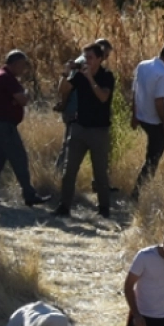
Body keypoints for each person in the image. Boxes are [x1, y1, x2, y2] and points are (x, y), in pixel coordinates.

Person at [0, 50, 50, 207]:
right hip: (5, 125)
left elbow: (19, 99)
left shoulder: (5, 76)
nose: (24, 69)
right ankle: (29, 194)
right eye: (23, 65)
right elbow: (23, 99)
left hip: (1, 123)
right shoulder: (6, 78)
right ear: (16, 63)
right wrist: (23, 96)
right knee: (19, 158)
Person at [53, 43, 116, 218]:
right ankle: (64, 206)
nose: (86, 61)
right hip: (79, 128)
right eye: (84, 57)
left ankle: (104, 209)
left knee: (100, 173)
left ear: (99, 59)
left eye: (90, 57)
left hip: (99, 131)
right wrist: (66, 73)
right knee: (69, 171)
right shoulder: (79, 75)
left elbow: (103, 97)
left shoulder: (107, 76)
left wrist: (90, 78)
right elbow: (63, 90)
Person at [131, 44, 164, 192]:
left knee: (156, 148)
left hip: (142, 116)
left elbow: (135, 91)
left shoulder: (143, 65)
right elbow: (159, 100)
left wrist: (134, 115)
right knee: (154, 154)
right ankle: (140, 190)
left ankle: (143, 187)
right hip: (153, 119)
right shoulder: (163, 72)